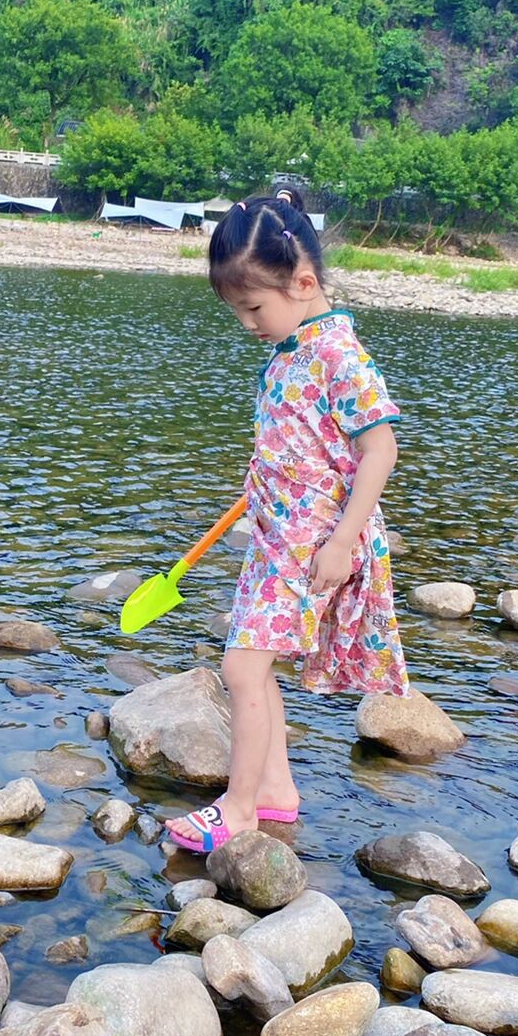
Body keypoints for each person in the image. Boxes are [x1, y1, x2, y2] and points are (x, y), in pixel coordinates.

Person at [167, 188, 409, 854]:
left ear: (303, 282)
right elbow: (304, 442)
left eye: (253, 307)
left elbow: (378, 449)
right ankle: (273, 790)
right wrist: (263, 484)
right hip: (276, 537)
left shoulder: (340, 356)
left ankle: (239, 806)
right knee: (255, 668)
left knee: (242, 669)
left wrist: (341, 541)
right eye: (237, 309)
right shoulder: (291, 352)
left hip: (313, 544)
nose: (247, 322)